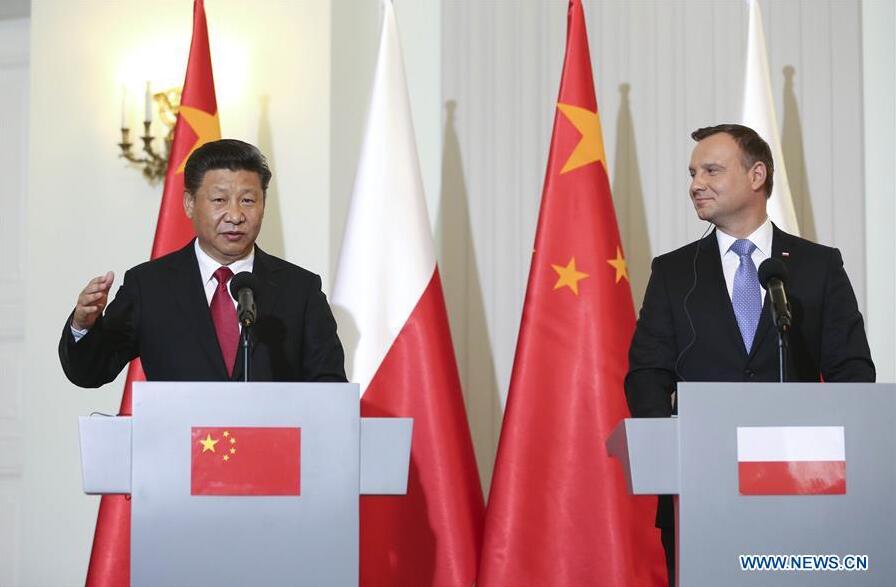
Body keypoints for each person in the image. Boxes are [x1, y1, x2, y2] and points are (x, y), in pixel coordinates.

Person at [624, 124, 874, 586]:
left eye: (712, 170)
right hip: (701, 496)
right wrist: (671, 451)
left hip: (802, 493)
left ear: (757, 175)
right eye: (693, 172)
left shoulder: (818, 266)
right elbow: (646, 374)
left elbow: (852, 373)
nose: (696, 183)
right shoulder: (673, 271)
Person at [59, 139, 346, 385]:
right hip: (180, 447)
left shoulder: (300, 290)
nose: (235, 215)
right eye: (220, 200)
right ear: (189, 204)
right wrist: (83, 325)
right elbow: (91, 372)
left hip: (271, 448)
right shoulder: (149, 287)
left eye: (247, 200)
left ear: (263, 204)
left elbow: (329, 388)